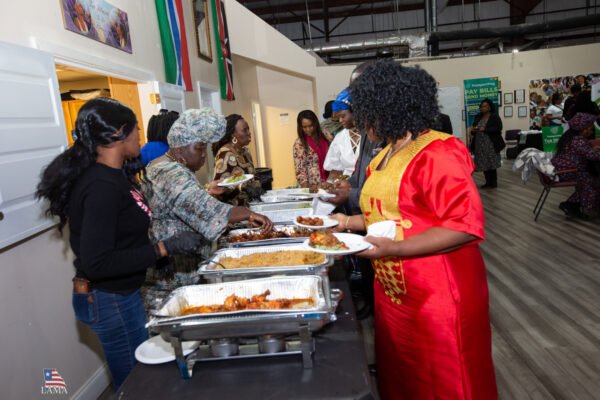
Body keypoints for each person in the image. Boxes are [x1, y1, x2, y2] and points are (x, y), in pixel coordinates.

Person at [331, 60, 497, 400]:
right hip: (393, 292)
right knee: (405, 378)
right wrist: (346, 223)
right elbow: (390, 214)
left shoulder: (437, 152)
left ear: (389, 107)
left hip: (437, 294)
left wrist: (393, 249)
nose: (361, 123)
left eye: (366, 113)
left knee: (446, 381)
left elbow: (464, 226)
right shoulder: (386, 154)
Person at [35, 98, 205, 389]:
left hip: (122, 293)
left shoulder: (116, 175)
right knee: (136, 382)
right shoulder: (100, 186)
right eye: (136, 127)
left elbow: (123, 234)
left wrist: (159, 253)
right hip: (109, 298)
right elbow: (97, 262)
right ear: (118, 133)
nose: (140, 134)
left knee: (142, 376)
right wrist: (163, 248)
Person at [141, 109, 272, 307]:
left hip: (181, 273)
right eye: (199, 149)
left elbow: (181, 203)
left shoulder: (167, 164)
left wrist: (207, 191)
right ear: (179, 149)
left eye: (204, 149)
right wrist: (248, 213)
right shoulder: (169, 172)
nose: (203, 156)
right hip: (171, 282)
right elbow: (204, 209)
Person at [552, 112, 600, 218]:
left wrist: (592, 149)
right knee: (592, 181)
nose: (592, 130)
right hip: (568, 172)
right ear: (584, 129)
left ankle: (572, 205)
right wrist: (594, 151)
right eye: (590, 127)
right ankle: (579, 206)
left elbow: (584, 152)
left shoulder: (570, 137)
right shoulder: (578, 141)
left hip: (562, 170)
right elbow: (593, 156)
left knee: (589, 179)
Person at [212, 114, 263, 206]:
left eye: (248, 129)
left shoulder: (245, 152)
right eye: (244, 130)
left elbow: (252, 175)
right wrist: (242, 187)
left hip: (250, 206)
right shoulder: (225, 154)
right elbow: (221, 188)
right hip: (234, 209)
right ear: (232, 135)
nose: (249, 133)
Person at [323, 88, 361, 180]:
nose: (340, 120)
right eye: (338, 118)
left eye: (343, 116)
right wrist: (329, 185)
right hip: (346, 185)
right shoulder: (340, 137)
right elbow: (334, 171)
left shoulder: (371, 135)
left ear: (354, 112)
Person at [470, 98, 504, 188]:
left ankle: (493, 183)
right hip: (479, 144)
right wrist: (473, 130)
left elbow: (498, 128)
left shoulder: (494, 116)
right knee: (483, 163)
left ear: (489, 107)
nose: (483, 108)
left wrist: (485, 129)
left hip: (491, 143)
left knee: (491, 162)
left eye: (485, 106)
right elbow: (474, 128)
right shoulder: (478, 116)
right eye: (482, 106)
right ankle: (487, 182)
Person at [293, 110, 330, 190]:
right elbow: (300, 169)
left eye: (310, 126)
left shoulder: (325, 135)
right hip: (313, 185)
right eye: (304, 127)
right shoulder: (299, 143)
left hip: (330, 181)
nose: (308, 129)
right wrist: (306, 188)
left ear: (315, 123)